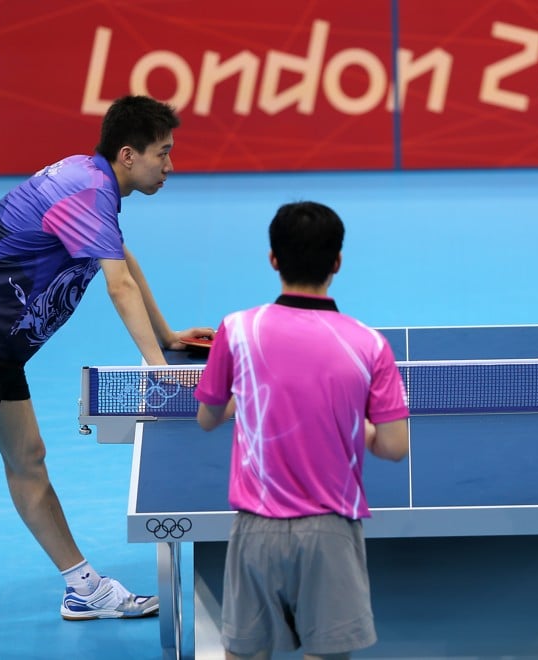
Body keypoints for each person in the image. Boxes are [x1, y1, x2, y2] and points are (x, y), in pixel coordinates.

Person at [0, 95, 216, 636]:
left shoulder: (94, 185)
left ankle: (84, 588)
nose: (170, 165)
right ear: (128, 155)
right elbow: (117, 286)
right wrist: (158, 368)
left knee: (28, 459)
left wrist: (166, 336)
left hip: (0, 344)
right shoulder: (88, 189)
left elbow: (121, 260)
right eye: (163, 153)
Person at [194, 201, 410, 659]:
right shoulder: (370, 344)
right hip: (330, 534)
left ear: (273, 259)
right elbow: (394, 446)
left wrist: (244, 395)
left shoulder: (237, 329)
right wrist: (357, 425)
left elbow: (208, 417)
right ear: (337, 262)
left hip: (256, 531)